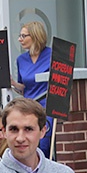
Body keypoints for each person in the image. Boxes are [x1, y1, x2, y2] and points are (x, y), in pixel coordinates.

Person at [11, 21, 53, 157]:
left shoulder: (52, 55)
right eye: (20, 36)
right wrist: (12, 83)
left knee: (46, 143)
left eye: (23, 36)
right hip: (29, 108)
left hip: (48, 107)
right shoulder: (21, 59)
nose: (20, 39)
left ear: (35, 36)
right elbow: (23, 87)